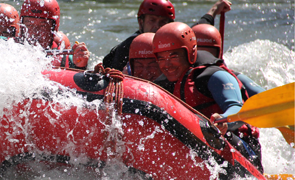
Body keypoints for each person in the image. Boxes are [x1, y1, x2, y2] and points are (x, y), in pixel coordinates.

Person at [151, 22, 263, 172]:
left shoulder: (214, 75)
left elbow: (237, 108)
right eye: (161, 58)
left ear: (189, 53)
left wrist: (224, 121)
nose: (167, 64)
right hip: (197, 149)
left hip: (238, 145)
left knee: (217, 137)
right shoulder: (162, 84)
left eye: (173, 56)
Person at [102, 0, 232, 71]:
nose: (157, 26)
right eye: (152, 20)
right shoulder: (129, 46)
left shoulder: (176, 39)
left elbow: (198, 27)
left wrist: (215, 8)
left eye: (163, 22)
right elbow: (110, 71)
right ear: (140, 22)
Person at [192, 24, 265, 97]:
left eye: (210, 53)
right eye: (199, 54)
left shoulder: (232, 78)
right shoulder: (184, 78)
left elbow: (264, 95)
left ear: (219, 54)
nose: (205, 59)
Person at [20, 0, 89, 70]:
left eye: (43, 26)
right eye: (29, 25)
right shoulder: (12, 49)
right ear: (22, 26)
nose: (35, 32)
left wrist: (81, 66)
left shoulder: (63, 55)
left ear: (53, 28)